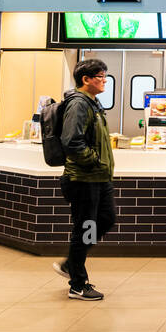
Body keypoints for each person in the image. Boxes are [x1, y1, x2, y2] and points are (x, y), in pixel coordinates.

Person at [51, 58, 116, 301]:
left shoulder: (93, 103)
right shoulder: (79, 104)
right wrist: (95, 161)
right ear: (85, 80)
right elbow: (72, 142)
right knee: (85, 228)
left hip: (98, 179)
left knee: (106, 220)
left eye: (104, 76)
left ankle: (72, 263)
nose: (104, 80)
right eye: (100, 76)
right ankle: (78, 284)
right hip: (84, 179)